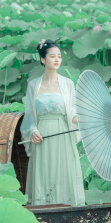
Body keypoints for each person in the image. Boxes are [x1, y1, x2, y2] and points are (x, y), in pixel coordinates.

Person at [19, 39, 86, 206]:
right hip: (42, 133)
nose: (57, 59)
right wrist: (33, 131)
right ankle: (43, 208)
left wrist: (83, 119)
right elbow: (30, 114)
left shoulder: (67, 84)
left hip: (62, 131)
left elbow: (72, 112)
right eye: (52, 56)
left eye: (59, 56)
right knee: (44, 170)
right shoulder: (33, 85)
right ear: (43, 59)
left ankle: (67, 207)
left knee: (63, 169)